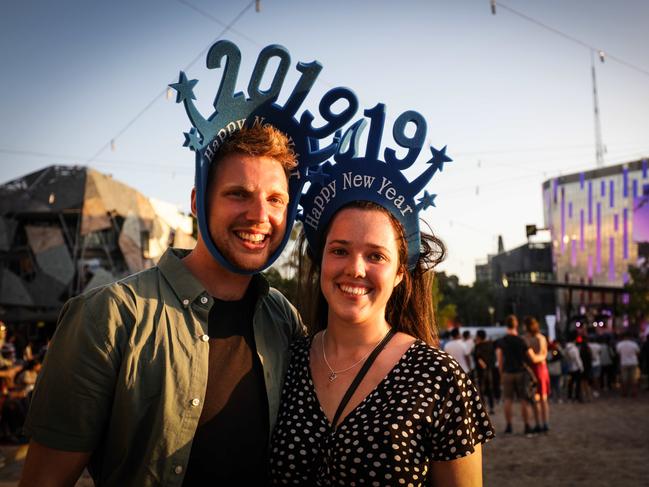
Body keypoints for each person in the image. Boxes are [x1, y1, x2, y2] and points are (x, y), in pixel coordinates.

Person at [270, 101, 494, 485]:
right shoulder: (284, 362)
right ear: (321, 260)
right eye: (339, 250)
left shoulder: (439, 379)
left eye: (376, 255)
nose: (355, 269)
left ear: (400, 275)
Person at [495, 315, 535, 436]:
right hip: (521, 372)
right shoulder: (521, 340)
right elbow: (531, 357)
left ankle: (509, 426)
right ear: (516, 324)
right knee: (524, 399)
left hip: (507, 372)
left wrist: (501, 373)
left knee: (508, 400)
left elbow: (500, 359)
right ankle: (527, 425)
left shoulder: (501, 341)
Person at [523, 316, 550, 433]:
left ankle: (539, 423)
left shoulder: (526, 339)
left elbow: (539, 356)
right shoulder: (541, 338)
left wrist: (533, 358)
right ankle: (544, 423)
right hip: (541, 368)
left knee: (537, 399)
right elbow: (544, 355)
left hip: (534, 369)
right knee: (542, 398)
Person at [474, 329, 497, 413]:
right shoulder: (490, 344)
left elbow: (478, 358)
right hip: (490, 369)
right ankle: (492, 407)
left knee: (482, 389)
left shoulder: (478, 346)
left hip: (481, 371)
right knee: (490, 388)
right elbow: (494, 356)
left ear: (479, 337)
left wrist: (483, 366)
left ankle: (484, 408)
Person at [616, 332, 641, 397]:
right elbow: (638, 352)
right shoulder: (634, 344)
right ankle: (634, 392)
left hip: (624, 363)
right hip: (633, 362)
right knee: (633, 378)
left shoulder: (620, 344)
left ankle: (624, 392)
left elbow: (618, 353)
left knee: (624, 379)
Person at [564, 332, 584, 402]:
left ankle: (569, 396)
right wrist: (581, 367)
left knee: (571, 383)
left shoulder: (566, 348)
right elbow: (577, 359)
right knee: (577, 383)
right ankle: (577, 396)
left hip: (570, 367)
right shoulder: (574, 349)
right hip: (576, 368)